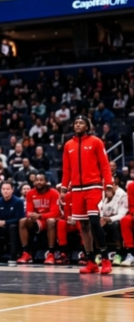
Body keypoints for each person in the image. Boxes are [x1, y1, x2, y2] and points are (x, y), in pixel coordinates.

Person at [62, 115, 114, 274]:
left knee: (94, 222)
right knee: (83, 225)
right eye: (76, 123)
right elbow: (67, 169)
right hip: (76, 189)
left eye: (81, 123)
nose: (77, 125)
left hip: (94, 187)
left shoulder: (96, 141)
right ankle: (91, 261)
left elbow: (105, 165)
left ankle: (105, 259)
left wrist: (109, 184)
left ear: (87, 126)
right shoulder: (68, 144)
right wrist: (64, 188)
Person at [17, 173, 60, 264]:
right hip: (37, 220)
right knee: (22, 221)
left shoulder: (54, 193)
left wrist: (40, 216)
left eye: (41, 180)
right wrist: (31, 216)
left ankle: (51, 254)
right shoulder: (30, 193)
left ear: (46, 182)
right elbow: (28, 211)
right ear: (34, 182)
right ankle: (26, 253)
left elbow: (55, 213)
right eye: (37, 180)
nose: (39, 182)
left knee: (50, 221)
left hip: (49, 219)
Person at [0, 180, 24, 264]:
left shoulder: (18, 202)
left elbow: (19, 218)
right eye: (3, 189)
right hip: (0, 226)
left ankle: (13, 254)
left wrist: (4, 222)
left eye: (7, 189)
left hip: (13, 227)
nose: (5, 191)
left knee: (13, 227)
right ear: (1, 190)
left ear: (12, 190)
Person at [98, 177, 127, 265]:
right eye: (105, 187)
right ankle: (99, 253)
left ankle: (119, 253)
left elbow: (122, 214)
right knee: (94, 224)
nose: (107, 189)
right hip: (105, 220)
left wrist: (109, 219)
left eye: (110, 187)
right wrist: (101, 218)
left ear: (115, 185)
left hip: (116, 220)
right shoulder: (103, 193)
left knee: (116, 224)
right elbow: (99, 208)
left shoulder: (122, 194)